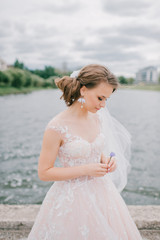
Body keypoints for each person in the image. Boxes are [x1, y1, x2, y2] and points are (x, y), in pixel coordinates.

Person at [27, 64, 143, 239]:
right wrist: (86, 170)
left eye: (107, 99)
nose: (103, 105)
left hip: (102, 193)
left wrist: (106, 160)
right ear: (83, 90)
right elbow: (44, 172)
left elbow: (95, 151)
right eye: (100, 98)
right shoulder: (56, 127)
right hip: (71, 199)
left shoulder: (97, 119)